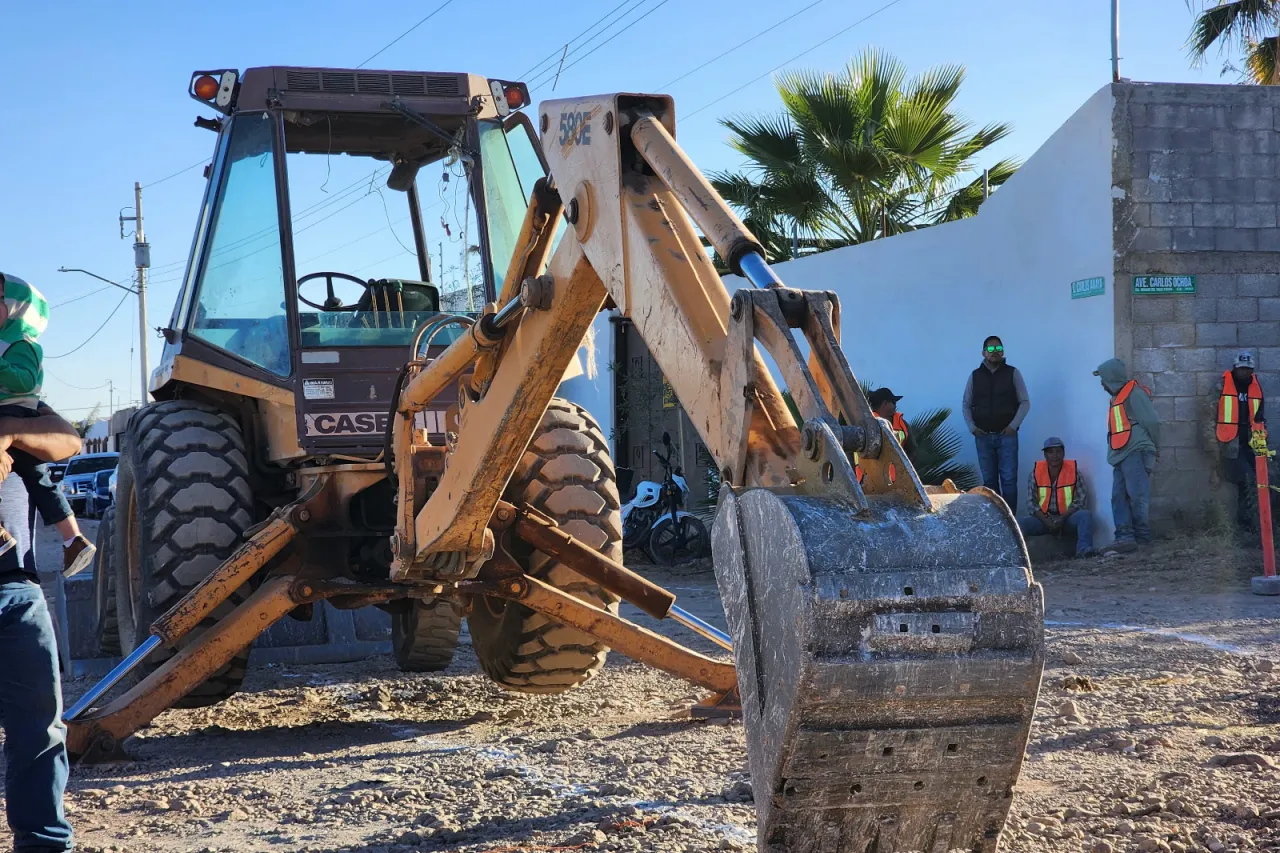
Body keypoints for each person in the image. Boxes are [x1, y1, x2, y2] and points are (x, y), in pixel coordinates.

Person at [0, 403, 84, 853]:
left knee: (39, 727)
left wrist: (7, 432)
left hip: (17, 588)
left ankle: (44, 845)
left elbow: (68, 439)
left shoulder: (11, 390)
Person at [0, 273, 94, 575]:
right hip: (15, 419)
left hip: (15, 414)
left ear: (17, 308)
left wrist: (13, 430)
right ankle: (73, 541)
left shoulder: (22, 344)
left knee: (41, 482)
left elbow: (24, 380)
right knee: (41, 483)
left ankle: (71, 539)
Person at [1096, 358, 1161, 552]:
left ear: (1112, 378)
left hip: (1135, 450)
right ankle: (1125, 537)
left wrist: (1155, 449)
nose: (1102, 384)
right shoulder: (1117, 397)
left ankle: (1141, 538)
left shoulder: (1134, 393)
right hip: (1121, 453)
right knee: (1118, 496)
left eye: (1103, 379)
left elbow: (1153, 422)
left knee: (1137, 495)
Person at [963, 335, 1031, 510]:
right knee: (989, 484)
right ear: (983, 353)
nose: (995, 352)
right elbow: (966, 404)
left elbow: (1025, 402)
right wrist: (972, 428)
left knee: (1009, 481)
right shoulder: (975, 376)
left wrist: (1013, 426)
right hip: (983, 437)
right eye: (991, 349)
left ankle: (1011, 525)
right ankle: (996, 525)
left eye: (998, 349)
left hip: (1007, 437)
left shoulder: (1013, 373)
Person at [1212, 350, 1275, 534]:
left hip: (1251, 444)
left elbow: (1260, 417)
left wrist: (1264, 445)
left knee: (1255, 483)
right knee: (1248, 480)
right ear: (1234, 369)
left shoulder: (1256, 387)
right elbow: (1208, 418)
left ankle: (1252, 525)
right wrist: (1212, 450)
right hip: (1229, 444)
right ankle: (1246, 524)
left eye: (1248, 369)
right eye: (1241, 369)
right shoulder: (1221, 386)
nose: (1244, 373)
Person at [1017, 437, 1095, 557]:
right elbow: (1030, 503)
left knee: (1085, 515)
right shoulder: (1035, 474)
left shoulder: (1074, 472)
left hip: (1067, 519)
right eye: (1050, 452)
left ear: (1063, 453)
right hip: (1043, 520)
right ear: (1045, 455)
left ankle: (1084, 551)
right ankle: (1017, 557)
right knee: (1020, 523)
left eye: (1058, 451)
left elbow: (1081, 500)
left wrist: (1062, 517)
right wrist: (1046, 521)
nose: (1055, 455)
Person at [868, 387, 916, 459]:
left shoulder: (902, 424)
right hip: (868, 469)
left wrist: (902, 468)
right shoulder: (867, 423)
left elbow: (913, 451)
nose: (895, 406)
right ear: (885, 403)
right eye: (893, 402)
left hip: (896, 469)